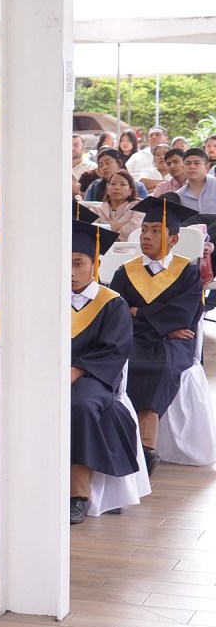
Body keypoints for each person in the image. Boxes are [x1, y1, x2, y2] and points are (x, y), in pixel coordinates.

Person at [110, 197, 204, 476]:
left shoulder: (188, 272)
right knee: (126, 363)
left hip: (173, 342)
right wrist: (157, 322)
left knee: (162, 367)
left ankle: (146, 447)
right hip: (138, 337)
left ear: (174, 240)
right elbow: (117, 314)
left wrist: (138, 312)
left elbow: (184, 317)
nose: (147, 236)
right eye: (145, 229)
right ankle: (132, 445)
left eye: (156, 231)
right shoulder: (125, 272)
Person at [69, 221, 140, 524]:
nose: (70, 271)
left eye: (78, 263)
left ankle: (77, 493)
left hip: (93, 378)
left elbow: (114, 350)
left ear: (95, 263)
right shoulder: (45, 299)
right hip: (47, 375)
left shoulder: (111, 303)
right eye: (64, 263)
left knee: (79, 406)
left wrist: (76, 369)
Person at [94, 169, 143, 241]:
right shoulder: (97, 210)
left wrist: (107, 230)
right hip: (100, 248)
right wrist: (118, 226)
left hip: (128, 249)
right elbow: (91, 229)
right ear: (107, 189)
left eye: (122, 184)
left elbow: (135, 227)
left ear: (130, 191)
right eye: (113, 184)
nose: (117, 188)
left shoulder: (139, 206)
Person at [174, 148, 216, 214]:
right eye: (188, 163)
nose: (192, 167)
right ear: (183, 168)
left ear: (207, 167)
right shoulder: (179, 196)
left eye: (197, 163)